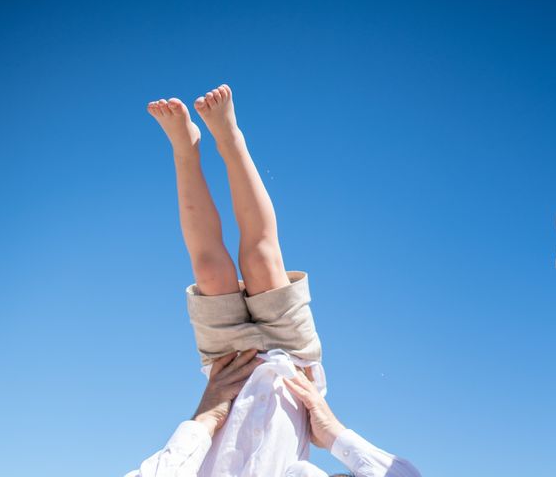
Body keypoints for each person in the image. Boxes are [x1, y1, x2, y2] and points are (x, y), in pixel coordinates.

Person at [126, 84, 421, 476]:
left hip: (226, 369)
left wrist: (203, 419)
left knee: (210, 269)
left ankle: (185, 149)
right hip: (294, 363)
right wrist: (334, 434)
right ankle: (231, 140)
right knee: (262, 259)